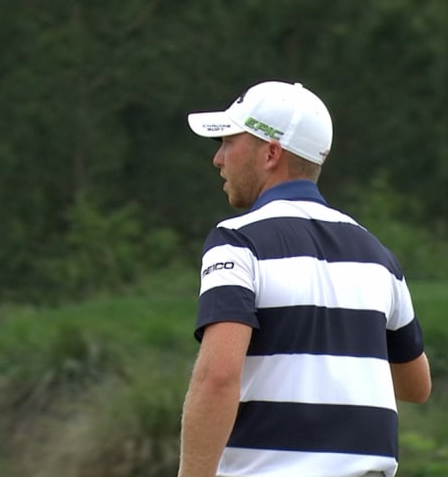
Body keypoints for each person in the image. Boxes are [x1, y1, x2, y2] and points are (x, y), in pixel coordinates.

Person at [177, 80, 431, 477]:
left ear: (271, 153)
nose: (218, 158)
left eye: (229, 141)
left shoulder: (238, 242)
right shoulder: (377, 255)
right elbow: (416, 385)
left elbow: (218, 377)